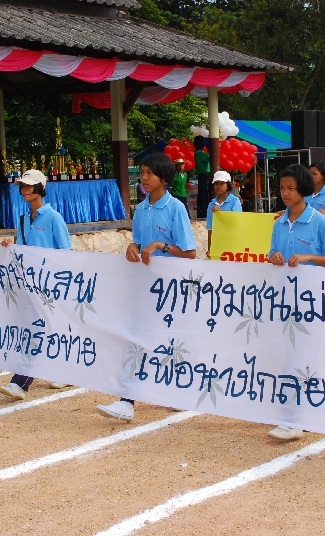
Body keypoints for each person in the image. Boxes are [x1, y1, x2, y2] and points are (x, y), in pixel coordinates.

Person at [96, 152, 196, 422]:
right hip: (145, 286)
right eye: (141, 173)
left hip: (170, 289)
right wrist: (133, 246)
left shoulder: (175, 208)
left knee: (170, 340)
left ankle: (180, 390)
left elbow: (189, 252)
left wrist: (161, 245)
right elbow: (139, 243)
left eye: (149, 173)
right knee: (136, 338)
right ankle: (126, 400)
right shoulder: (141, 209)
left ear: (163, 177)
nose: (144, 178)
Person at [267, 164, 325, 441]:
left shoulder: (319, 222)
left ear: (303, 190)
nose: (285, 193)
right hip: (285, 299)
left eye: (291, 188)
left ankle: (296, 416)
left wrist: (309, 257)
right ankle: (298, 410)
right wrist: (273, 257)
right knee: (290, 353)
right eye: (282, 188)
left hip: (312, 301)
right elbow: (272, 253)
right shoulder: (278, 223)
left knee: (305, 354)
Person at [0, 169, 72, 400]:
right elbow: (22, 249)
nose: (25, 190)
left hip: (49, 283)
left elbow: (66, 251)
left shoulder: (53, 217)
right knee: (46, 328)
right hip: (29, 283)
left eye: (29, 186)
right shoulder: (22, 219)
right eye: (22, 186)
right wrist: (10, 246)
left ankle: (20, 382)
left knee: (39, 330)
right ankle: (67, 370)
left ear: (40, 188)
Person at [206, 170, 242, 259]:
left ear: (227, 185)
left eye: (222, 183)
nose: (218, 186)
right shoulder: (211, 204)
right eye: (216, 184)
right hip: (218, 245)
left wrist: (220, 214)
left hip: (233, 243)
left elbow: (237, 223)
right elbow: (210, 229)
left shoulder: (235, 201)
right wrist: (210, 248)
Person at [194, 135, 211, 218]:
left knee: (202, 194)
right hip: (204, 174)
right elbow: (209, 158)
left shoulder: (197, 152)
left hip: (202, 175)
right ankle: (204, 212)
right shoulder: (200, 153)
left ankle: (202, 212)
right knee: (205, 195)